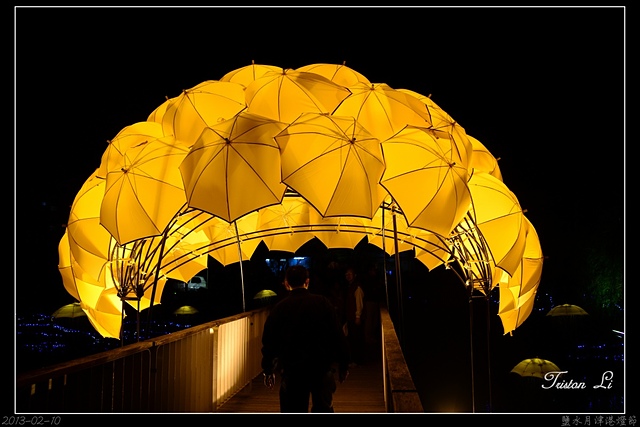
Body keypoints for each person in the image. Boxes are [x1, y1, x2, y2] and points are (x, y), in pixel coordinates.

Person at [261, 265, 350, 413]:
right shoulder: (322, 303)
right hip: (321, 367)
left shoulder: (280, 308)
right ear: (307, 282)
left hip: (292, 370)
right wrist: (344, 364)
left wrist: (268, 369)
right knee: (323, 408)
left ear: (287, 283)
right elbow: (337, 335)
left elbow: (269, 341)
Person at [345, 266, 365, 366]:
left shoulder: (357, 287)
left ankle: (357, 360)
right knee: (352, 338)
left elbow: (359, 303)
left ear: (354, 275)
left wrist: (358, 316)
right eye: (346, 274)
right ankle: (354, 359)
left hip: (354, 317)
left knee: (356, 338)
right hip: (350, 316)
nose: (348, 276)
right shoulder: (350, 287)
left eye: (350, 274)